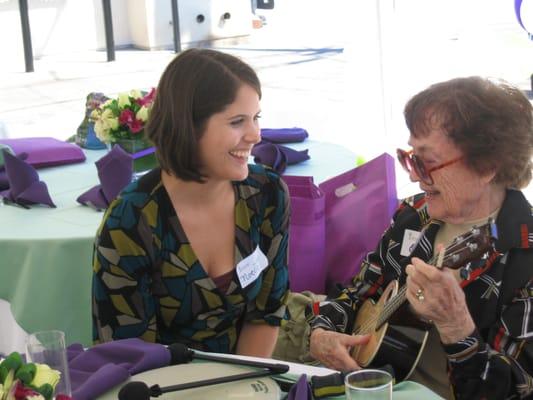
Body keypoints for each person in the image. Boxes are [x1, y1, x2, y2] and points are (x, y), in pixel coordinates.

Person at [308, 76, 533, 399]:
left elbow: (515, 390)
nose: (413, 175)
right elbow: (355, 293)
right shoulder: (414, 214)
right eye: (409, 157)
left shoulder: (525, 255)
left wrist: (457, 327)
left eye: (426, 162)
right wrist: (321, 333)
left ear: (487, 167)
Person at [92, 48, 290, 357]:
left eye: (256, 118)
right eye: (238, 121)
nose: (255, 135)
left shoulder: (266, 194)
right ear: (188, 126)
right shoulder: (131, 221)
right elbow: (128, 357)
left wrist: (243, 388)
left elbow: (265, 314)